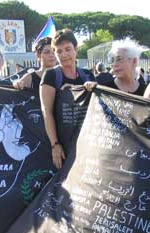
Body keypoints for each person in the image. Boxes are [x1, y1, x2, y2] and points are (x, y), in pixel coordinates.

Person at [40, 29, 96, 169]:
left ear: (76, 49)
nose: (63, 55)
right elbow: (47, 112)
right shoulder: (51, 75)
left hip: (87, 143)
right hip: (63, 147)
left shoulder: (88, 75)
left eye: (67, 49)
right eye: (58, 51)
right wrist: (55, 144)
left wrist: (94, 88)